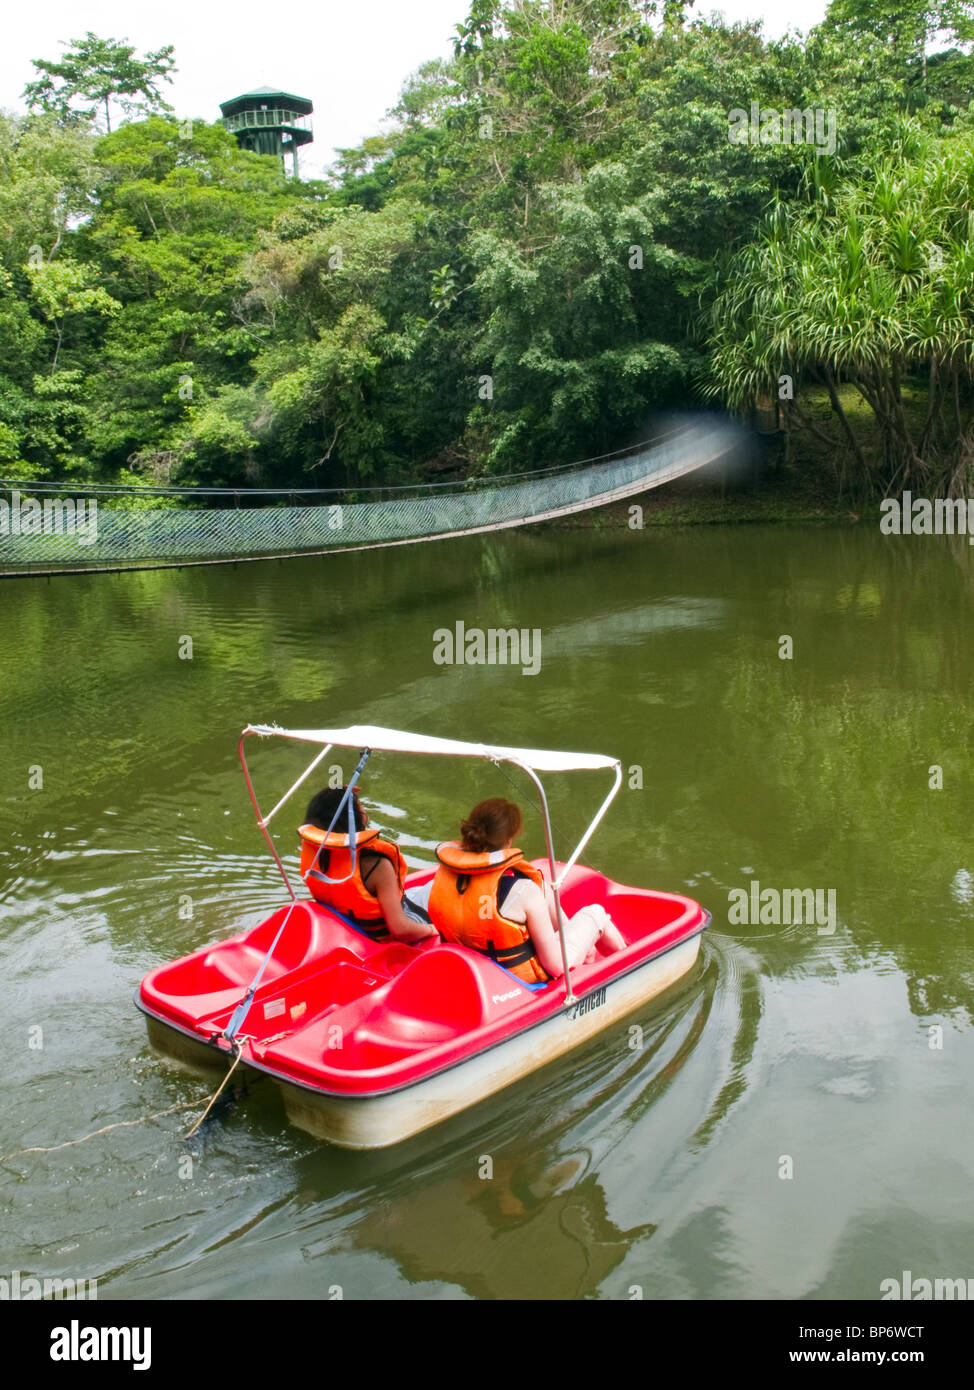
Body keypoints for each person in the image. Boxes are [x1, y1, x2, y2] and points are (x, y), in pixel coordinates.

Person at [428, 798, 626, 982]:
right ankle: (628, 966)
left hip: (468, 966)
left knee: (545, 889)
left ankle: (584, 947)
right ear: (508, 842)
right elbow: (555, 966)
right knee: (597, 913)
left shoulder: (445, 874)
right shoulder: (523, 891)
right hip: (517, 978)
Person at [299, 786, 438, 944]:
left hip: (354, 929)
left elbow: (328, 810)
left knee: (419, 891)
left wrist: (337, 795)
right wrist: (432, 929)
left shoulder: (318, 855)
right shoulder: (376, 865)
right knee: (437, 885)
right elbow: (400, 929)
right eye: (360, 805)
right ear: (358, 817)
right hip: (387, 937)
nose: (363, 808)